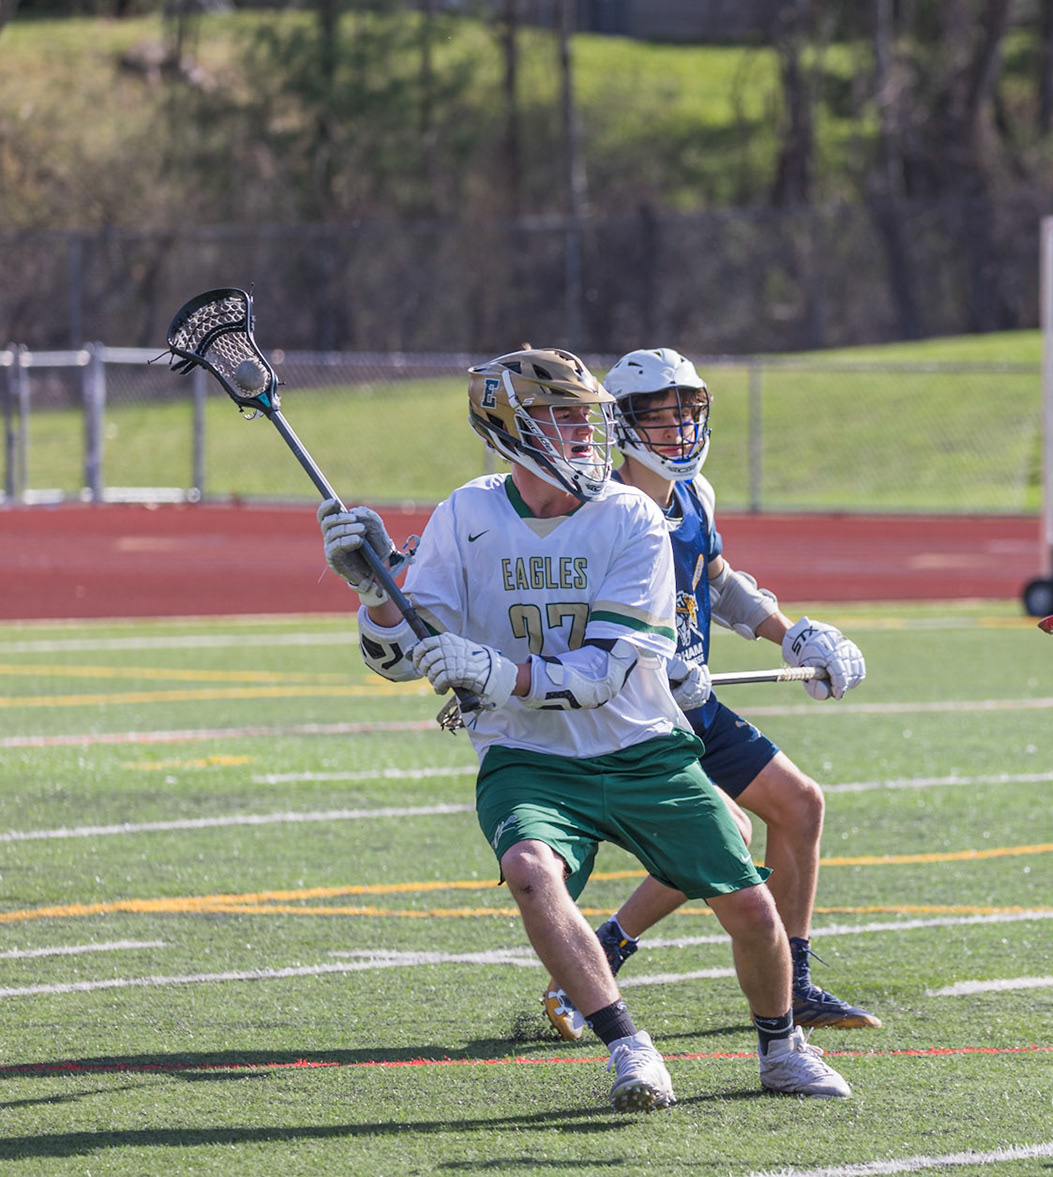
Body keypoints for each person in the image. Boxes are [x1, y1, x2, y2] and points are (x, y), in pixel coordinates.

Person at [316, 347, 851, 1113]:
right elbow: (399, 658)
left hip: (641, 746)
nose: (584, 434)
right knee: (529, 869)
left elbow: (602, 673)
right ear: (510, 426)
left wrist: (493, 670)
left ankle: (782, 1047)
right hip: (527, 753)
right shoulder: (465, 515)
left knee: (749, 906)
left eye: (586, 418)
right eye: (563, 417)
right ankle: (629, 1046)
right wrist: (375, 595)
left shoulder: (631, 515)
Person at [538, 348, 879, 1040]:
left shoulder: (694, 493)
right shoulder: (601, 509)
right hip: (633, 712)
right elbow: (571, 614)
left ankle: (795, 984)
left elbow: (716, 581)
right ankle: (606, 949)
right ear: (623, 424)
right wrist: (650, 663)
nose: (678, 430)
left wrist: (792, 634)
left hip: (693, 703)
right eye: (659, 417)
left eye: (686, 413)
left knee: (801, 805)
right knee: (726, 833)